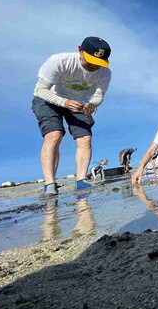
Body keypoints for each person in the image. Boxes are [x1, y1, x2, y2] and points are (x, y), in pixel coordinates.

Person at [32, 36, 112, 196]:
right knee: (54, 135)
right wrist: (64, 102)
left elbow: (99, 94)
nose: (93, 66)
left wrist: (92, 105)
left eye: (99, 62)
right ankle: (50, 184)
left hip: (79, 103)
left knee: (85, 139)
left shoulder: (105, 73)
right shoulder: (59, 62)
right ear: (80, 50)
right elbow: (41, 90)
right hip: (48, 98)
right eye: (90, 60)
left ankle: (81, 181)